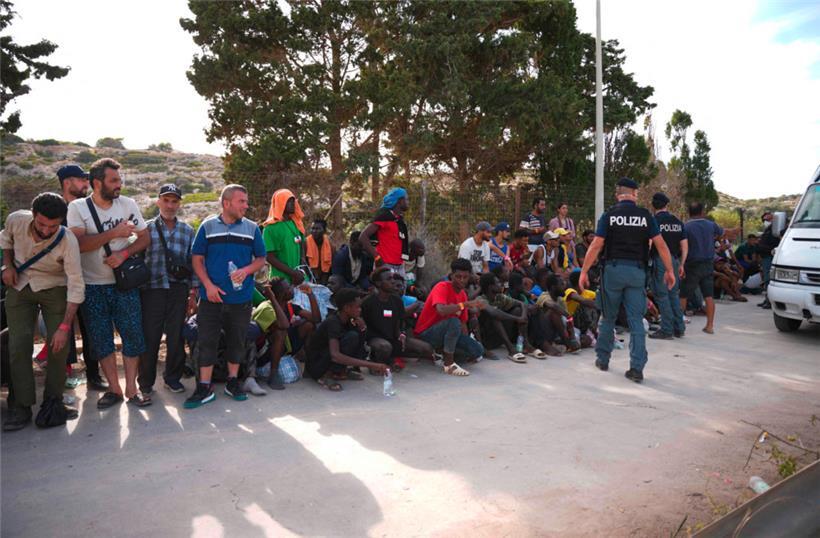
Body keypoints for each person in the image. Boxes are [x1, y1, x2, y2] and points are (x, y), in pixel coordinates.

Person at [66, 158, 152, 408]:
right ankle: (114, 389)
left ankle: (131, 389)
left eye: (120, 180)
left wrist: (124, 254)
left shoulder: (128, 204)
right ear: (96, 182)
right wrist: (114, 233)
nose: (119, 185)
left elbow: (144, 238)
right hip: (92, 286)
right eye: (114, 180)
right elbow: (78, 245)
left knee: (133, 337)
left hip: (124, 284)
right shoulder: (78, 208)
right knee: (101, 340)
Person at [579, 177, 675, 383]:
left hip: (612, 272)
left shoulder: (609, 215)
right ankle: (637, 368)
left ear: (617, 194)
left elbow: (596, 245)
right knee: (636, 321)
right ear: (635, 194)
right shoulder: (646, 216)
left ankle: (603, 359)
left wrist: (584, 271)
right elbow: (661, 245)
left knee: (608, 316)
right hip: (637, 273)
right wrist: (669, 270)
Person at [1, 193, 83, 430]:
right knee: (19, 346)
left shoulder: (68, 241)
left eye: (53, 226)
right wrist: (7, 265)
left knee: (59, 347)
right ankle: (21, 406)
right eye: (41, 224)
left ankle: (53, 402)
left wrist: (65, 327)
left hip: (53, 287)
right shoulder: (16, 220)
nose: (46, 231)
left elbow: (76, 284)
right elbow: (5, 240)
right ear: (33, 214)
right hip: (20, 285)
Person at [186, 184, 267, 409]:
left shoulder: (252, 228)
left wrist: (247, 270)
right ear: (227, 203)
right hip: (211, 298)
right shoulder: (208, 226)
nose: (246, 205)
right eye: (242, 201)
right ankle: (204, 387)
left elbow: (261, 258)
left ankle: (233, 382)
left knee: (237, 341)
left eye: (246, 201)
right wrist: (208, 286)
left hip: (240, 299)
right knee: (207, 341)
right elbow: (197, 259)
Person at [139, 184, 198, 395]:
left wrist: (193, 292)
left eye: (174, 201)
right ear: (158, 202)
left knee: (175, 337)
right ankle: (145, 383)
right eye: (166, 200)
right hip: (151, 289)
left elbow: (193, 263)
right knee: (150, 337)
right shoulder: (145, 228)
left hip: (178, 290)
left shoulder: (188, 230)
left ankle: (172, 378)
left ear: (179, 204)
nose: (170, 205)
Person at [57, 164, 106, 390]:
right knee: (60, 327)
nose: (87, 184)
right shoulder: (54, 208)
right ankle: (62, 376)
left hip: (85, 278)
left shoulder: (87, 208)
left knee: (89, 328)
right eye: (81, 180)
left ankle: (94, 375)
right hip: (58, 280)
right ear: (67, 182)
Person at [304, 288, 389, 391]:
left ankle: (340, 371)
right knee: (352, 337)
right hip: (316, 364)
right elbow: (335, 355)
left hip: (327, 357)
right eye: (357, 307)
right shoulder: (333, 322)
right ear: (346, 308)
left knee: (357, 333)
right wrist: (373, 365)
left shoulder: (349, 319)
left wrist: (363, 329)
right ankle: (327, 375)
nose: (360, 310)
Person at [414, 258, 486, 376]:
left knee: (477, 350)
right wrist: (465, 305)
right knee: (453, 321)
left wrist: (466, 342)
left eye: (465, 277)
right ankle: (449, 364)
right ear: (451, 275)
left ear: (469, 277)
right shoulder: (441, 287)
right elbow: (441, 310)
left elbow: (463, 324)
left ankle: (440, 352)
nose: (461, 280)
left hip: (448, 335)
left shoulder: (462, 294)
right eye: (458, 276)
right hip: (427, 334)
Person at [361, 267, 435, 370]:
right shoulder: (368, 302)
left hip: (393, 338)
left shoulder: (396, 300)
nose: (393, 281)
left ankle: (392, 357)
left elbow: (400, 321)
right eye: (388, 279)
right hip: (374, 339)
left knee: (426, 349)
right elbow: (360, 321)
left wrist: (401, 334)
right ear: (378, 283)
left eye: (392, 278)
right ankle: (376, 362)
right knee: (384, 347)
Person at [476, 273, 544, 362]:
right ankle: (511, 350)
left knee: (518, 311)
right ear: (490, 287)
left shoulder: (499, 297)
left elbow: (522, 304)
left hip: (499, 337)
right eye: (498, 283)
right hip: (487, 340)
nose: (501, 284)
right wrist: (517, 319)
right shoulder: (480, 299)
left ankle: (525, 344)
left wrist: (522, 316)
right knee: (495, 316)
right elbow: (494, 313)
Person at [266, 277, 320, 389]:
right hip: (268, 351)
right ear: (281, 293)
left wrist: (311, 295)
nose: (292, 289)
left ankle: (309, 368)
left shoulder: (291, 307)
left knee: (309, 325)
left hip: (286, 347)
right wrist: (273, 299)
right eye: (288, 288)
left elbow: (316, 318)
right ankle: (273, 373)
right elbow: (283, 325)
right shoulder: (267, 307)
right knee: (281, 332)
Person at [647, 192, 688, 339]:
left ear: (653, 205)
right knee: (673, 294)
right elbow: (684, 245)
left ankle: (667, 329)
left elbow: (649, 242)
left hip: (660, 260)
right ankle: (679, 327)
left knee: (662, 294)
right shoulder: (677, 222)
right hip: (675, 260)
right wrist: (682, 263)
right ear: (666, 205)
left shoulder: (653, 221)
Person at [680, 202, 724, 334]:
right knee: (709, 295)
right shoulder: (711, 225)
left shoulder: (686, 226)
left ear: (689, 212)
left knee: (683, 294)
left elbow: (682, 245)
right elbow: (722, 233)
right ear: (702, 212)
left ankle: (678, 323)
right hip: (708, 264)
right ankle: (709, 325)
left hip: (692, 264)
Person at [360, 187, 410, 275]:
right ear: (399, 201)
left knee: (401, 288)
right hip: (385, 265)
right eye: (406, 199)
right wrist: (377, 258)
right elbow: (363, 237)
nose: (408, 202)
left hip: (400, 266)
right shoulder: (384, 217)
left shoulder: (399, 220)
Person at [262, 188, 306, 284]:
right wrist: (292, 273)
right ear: (280, 204)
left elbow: (302, 246)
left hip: (300, 276)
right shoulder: (270, 228)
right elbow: (269, 257)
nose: (292, 204)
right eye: (288, 201)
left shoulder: (297, 223)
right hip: (281, 280)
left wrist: (301, 269)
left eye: (293, 201)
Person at [756, 212, 780, 310]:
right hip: (765, 257)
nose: (765, 221)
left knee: (768, 279)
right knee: (766, 280)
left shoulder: (775, 229)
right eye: (764, 220)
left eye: (767, 219)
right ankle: (767, 300)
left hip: (769, 256)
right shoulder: (768, 230)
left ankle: (769, 301)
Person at [305, 218, 333, 284]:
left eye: (317, 229)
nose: (314, 231)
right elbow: (303, 262)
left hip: (325, 276)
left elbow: (332, 263)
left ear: (324, 231)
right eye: (312, 228)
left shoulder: (329, 243)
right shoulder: (305, 243)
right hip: (310, 276)